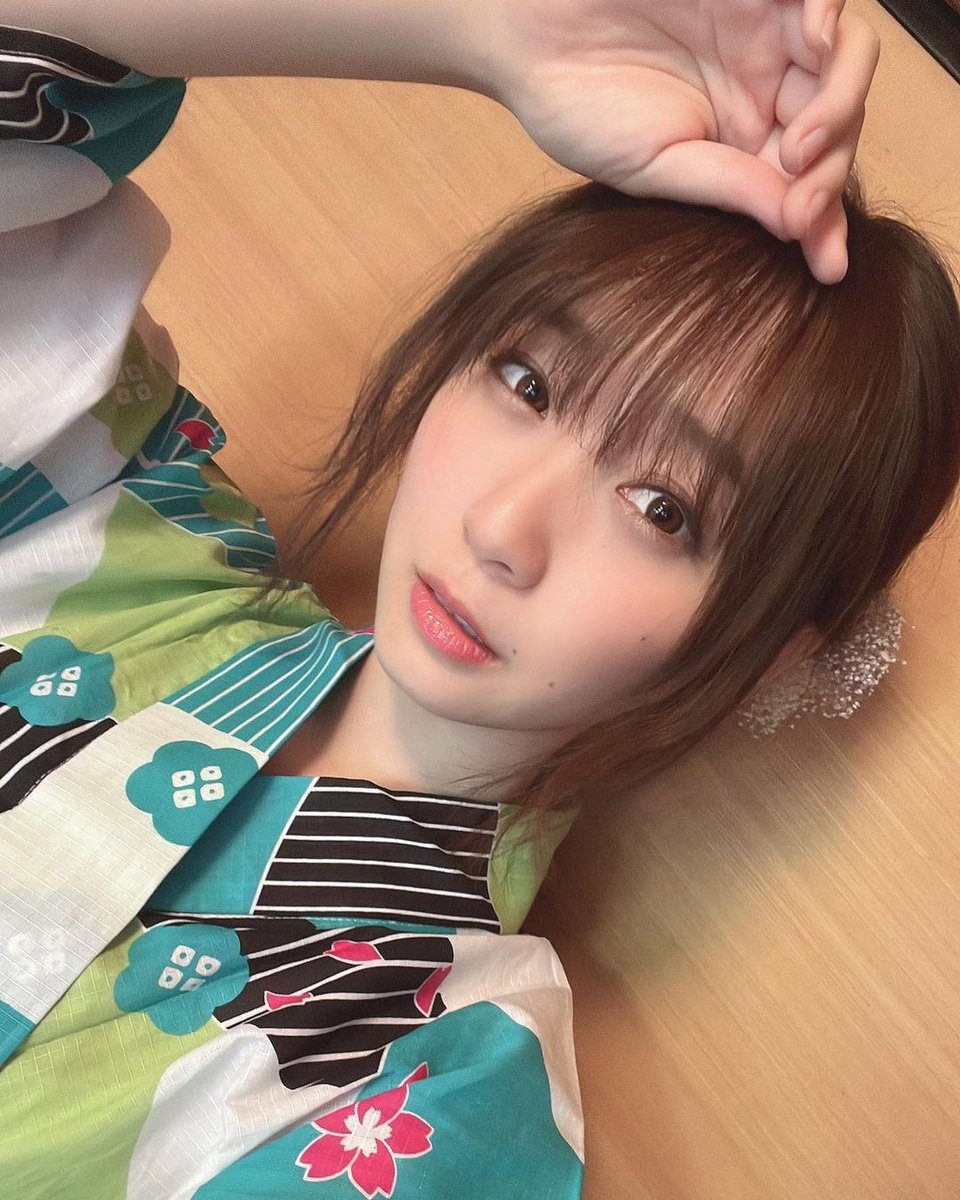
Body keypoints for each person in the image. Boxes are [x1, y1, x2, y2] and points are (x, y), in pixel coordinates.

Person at [0, 2, 956, 1198]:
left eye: (663, 508)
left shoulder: (444, 1098)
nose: (504, 529)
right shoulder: (116, 517)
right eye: (527, 381)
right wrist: (487, 33)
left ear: (770, 651)